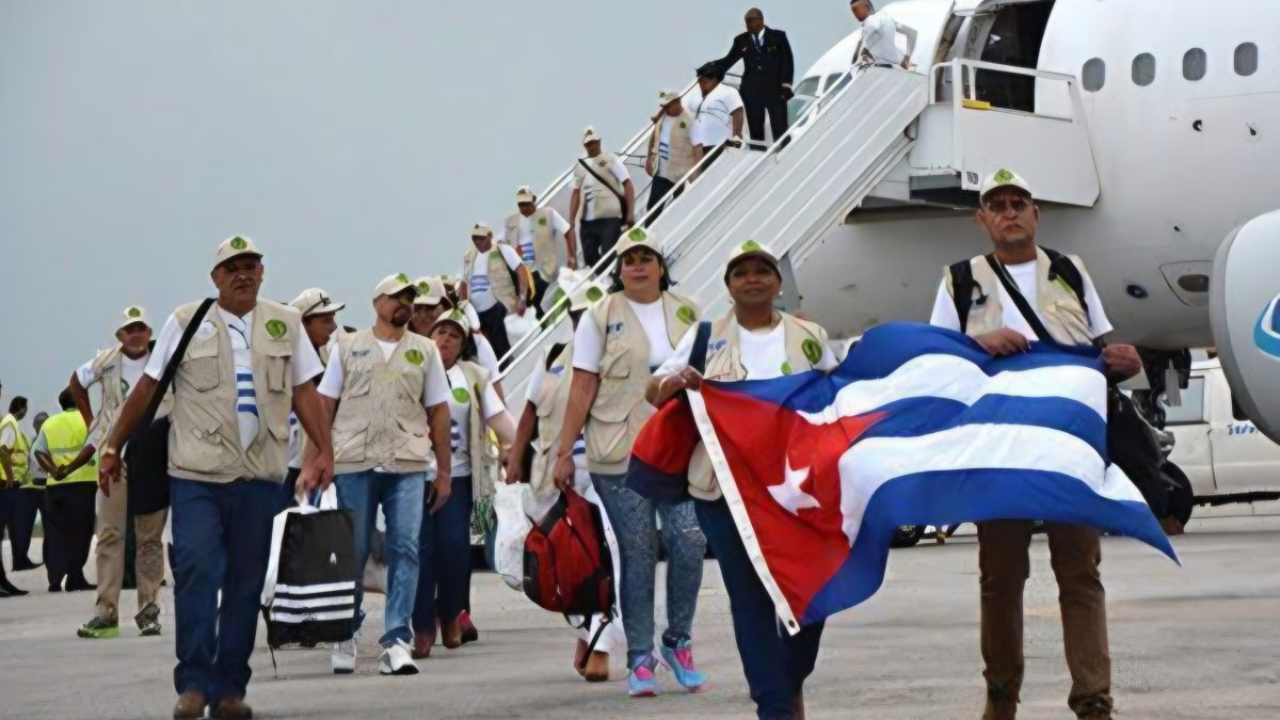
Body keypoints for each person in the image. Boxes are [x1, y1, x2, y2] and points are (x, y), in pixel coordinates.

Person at [929, 169, 1142, 720]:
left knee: (1079, 574)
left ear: (1035, 213)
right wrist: (980, 342)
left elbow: (1098, 352)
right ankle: (1001, 698)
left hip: (1066, 452)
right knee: (1000, 579)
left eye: (1018, 202)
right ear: (981, 218)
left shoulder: (1070, 271)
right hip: (1000, 456)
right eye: (996, 204)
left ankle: (1093, 700)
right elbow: (938, 363)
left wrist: (1124, 361)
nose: (1009, 212)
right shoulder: (958, 280)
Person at [98, 235, 335, 720]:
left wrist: (323, 450)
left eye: (251, 265)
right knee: (198, 572)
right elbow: (147, 387)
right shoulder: (186, 321)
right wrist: (112, 444)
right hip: (197, 474)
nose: (242, 274)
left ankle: (229, 690)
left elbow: (304, 392)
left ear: (263, 273)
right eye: (232, 267)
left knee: (246, 584)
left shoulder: (285, 323)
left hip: (260, 476)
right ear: (215, 277)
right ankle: (193, 685)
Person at [648, 240, 839, 719]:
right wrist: (674, 384)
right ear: (728, 285)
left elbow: (837, 401)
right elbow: (653, 393)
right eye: (741, 272)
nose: (753, 279)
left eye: (762, 270)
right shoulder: (703, 337)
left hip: (796, 492)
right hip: (723, 492)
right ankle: (774, 707)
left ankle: (786, 684)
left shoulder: (809, 335)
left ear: (778, 282)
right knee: (750, 598)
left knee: (810, 596)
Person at [553, 227, 707, 698]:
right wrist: (563, 451)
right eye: (628, 260)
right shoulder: (599, 317)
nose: (637, 265)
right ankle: (640, 657)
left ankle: (677, 639)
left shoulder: (689, 309)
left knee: (689, 541)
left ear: (661, 265)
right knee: (638, 550)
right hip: (617, 450)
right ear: (619, 270)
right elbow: (581, 386)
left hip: (678, 450)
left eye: (646, 257)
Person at [317, 274, 452, 676]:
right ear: (377, 302)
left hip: (407, 462)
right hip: (354, 460)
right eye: (398, 298)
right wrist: (320, 458)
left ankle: (397, 640)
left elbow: (439, 411)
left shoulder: (425, 350)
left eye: (410, 298)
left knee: (406, 549)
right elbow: (324, 404)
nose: (406, 305)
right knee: (352, 550)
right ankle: (345, 632)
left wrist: (443, 470)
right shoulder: (347, 348)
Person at [506, 267, 625, 683]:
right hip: (558, 477)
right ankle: (586, 633)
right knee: (567, 561)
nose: (585, 323)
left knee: (610, 558)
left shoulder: (621, 355)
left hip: (609, 471)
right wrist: (517, 458)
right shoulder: (556, 356)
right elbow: (529, 411)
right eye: (578, 316)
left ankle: (600, 646)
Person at [413, 308, 514, 657]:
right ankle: (422, 625)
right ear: (429, 337)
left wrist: (515, 445)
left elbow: (498, 415)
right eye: (440, 332)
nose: (445, 340)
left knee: (454, 549)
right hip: (415, 475)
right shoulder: (414, 368)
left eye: (454, 335)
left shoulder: (473, 375)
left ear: (463, 344)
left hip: (457, 477)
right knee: (419, 551)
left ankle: (452, 614)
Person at [68, 306, 169, 638]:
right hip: (115, 457)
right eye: (130, 329)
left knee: (149, 537)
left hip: (153, 457)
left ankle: (148, 610)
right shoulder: (106, 361)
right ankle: (106, 612)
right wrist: (94, 424)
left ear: (149, 332)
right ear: (120, 335)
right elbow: (76, 382)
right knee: (110, 534)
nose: (136, 334)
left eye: (141, 328)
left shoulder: (164, 361)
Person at [33, 389, 99, 593]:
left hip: (55, 488)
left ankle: (54, 579)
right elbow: (96, 448)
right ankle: (75, 577)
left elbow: (38, 451)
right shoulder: (89, 422)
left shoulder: (50, 423)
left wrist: (54, 471)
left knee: (56, 534)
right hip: (82, 486)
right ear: (80, 401)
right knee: (80, 533)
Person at [284, 288, 345, 502]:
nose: (334, 327)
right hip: (279, 469)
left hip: (318, 467)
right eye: (326, 320)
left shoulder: (331, 366)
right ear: (302, 324)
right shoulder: (278, 363)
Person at [711, 8, 795, 144]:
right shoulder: (741, 40)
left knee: (780, 127)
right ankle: (757, 153)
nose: (748, 25)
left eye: (750, 21)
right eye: (746, 22)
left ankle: (786, 152)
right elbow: (729, 60)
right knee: (756, 129)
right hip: (752, 91)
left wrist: (786, 85)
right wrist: (712, 67)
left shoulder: (778, 37)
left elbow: (787, 61)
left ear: (760, 20)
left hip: (775, 89)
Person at [498, 186, 577, 316]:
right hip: (524, 271)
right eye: (521, 205)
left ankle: (543, 317)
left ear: (533, 201)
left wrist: (571, 257)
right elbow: (503, 245)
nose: (524, 208)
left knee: (538, 296)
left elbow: (568, 231)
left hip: (543, 270)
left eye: (527, 204)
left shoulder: (547, 214)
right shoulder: (511, 222)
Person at [459, 223, 529, 362]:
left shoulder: (502, 249)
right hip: (476, 312)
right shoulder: (469, 256)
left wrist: (523, 298)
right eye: (475, 238)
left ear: (490, 236)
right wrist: (464, 308)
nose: (477, 242)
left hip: (499, 304)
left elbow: (521, 271)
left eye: (481, 238)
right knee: (472, 344)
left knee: (499, 334)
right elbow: (464, 283)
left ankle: (507, 361)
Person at [570, 127, 636, 268]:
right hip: (588, 221)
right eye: (588, 144)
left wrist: (630, 213)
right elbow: (575, 193)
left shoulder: (611, 160)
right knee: (590, 258)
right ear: (584, 146)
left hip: (610, 217)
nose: (592, 146)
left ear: (599, 142)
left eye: (594, 143)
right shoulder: (580, 166)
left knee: (609, 251)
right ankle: (608, 279)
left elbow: (627, 184)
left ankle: (616, 277)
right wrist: (571, 221)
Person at [645, 90, 704, 219]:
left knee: (678, 207)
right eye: (663, 106)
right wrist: (648, 158)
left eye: (668, 106)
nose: (665, 108)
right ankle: (648, 230)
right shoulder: (662, 117)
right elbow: (654, 137)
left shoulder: (690, 122)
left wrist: (697, 174)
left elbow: (697, 148)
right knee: (653, 208)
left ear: (677, 102)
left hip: (680, 173)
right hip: (661, 171)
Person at [0, 396, 31, 597]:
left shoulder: (8, 423)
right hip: (5, 484)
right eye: (26, 408)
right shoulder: (10, 423)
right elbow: (3, 450)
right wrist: (10, 475)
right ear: (21, 408)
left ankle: (2, 580)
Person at [11, 410, 49, 572]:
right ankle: (20, 560)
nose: (41, 426)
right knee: (24, 527)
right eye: (39, 423)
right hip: (30, 489)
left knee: (34, 527)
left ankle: (27, 559)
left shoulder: (39, 442)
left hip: (41, 489)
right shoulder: (33, 442)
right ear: (35, 426)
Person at [690, 62, 746, 168]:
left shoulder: (728, 91)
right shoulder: (705, 98)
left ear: (714, 79)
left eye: (704, 80)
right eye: (700, 80)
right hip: (702, 146)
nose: (701, 83)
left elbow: (738, 112)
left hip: (719, 144)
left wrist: (736, 135)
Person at [851, 0, 917, 69]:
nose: (855, 14)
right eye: (853, 11)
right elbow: (912, 33)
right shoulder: (880, 21)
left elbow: (912, 33)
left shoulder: (877, 21)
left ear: (867, 7)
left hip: (886, 67)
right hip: (884, 66)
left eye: (856, 9)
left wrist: (907, 57)